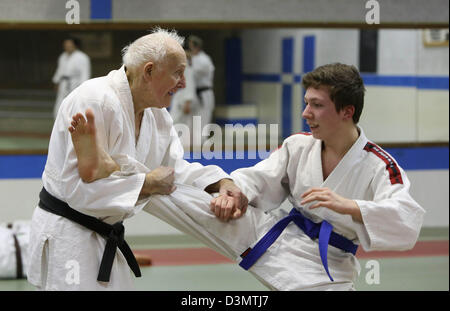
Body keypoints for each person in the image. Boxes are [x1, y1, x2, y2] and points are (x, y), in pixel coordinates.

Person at [66, 63, 425, 291]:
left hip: (325, 270)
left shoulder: (379, 165)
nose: (305, 113)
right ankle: (119, 167)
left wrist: (352, 207)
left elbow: (406, 219)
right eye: (306, 102)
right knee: (175, 193)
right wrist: (234, 193)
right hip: (273, 235)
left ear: (347, 111)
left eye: (317, 105)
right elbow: (260, 179)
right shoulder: (298, 146)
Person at [27, 28, 248, 291]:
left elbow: (174, 170)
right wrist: (147, 183)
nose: (184, 84)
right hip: (70, 235)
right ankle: (110, 166)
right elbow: (78, 192)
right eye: (177, 73)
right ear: (149, 71)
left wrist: (220, 182)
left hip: (105, 234)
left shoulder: (157, 114)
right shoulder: (94, 100)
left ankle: (112, 166)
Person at [52, 37, 91, 118]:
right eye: (65, 45)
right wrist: (56, 81)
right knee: (59, 106)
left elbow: (85, 73)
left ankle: (74, 127)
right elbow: (60, 70)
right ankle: (60, 127)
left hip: (75, 84)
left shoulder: (82, 57)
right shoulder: (62, 56)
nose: (67, 47)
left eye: (69, 45)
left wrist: (84, 88)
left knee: (75, 106)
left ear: (75, 45)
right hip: (64, 83)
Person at [169, 49, 198, 149]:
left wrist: (188, 102)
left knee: (180, 124)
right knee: (176, 123)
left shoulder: (188, 70)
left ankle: (183, 147)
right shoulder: (182, 70)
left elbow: (190, 86)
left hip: (184, 100)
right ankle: (178, 146)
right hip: (179, 99)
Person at [187, 35, 215, 137]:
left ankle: (201, 145)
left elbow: (195, 70)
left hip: (204, 94)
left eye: (191, 47)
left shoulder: (204, 59)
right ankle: (192, 146)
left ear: (197, 47)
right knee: (192, 122)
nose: (190, 49)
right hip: (194, 93)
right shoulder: (193, 59)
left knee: (203, 120)